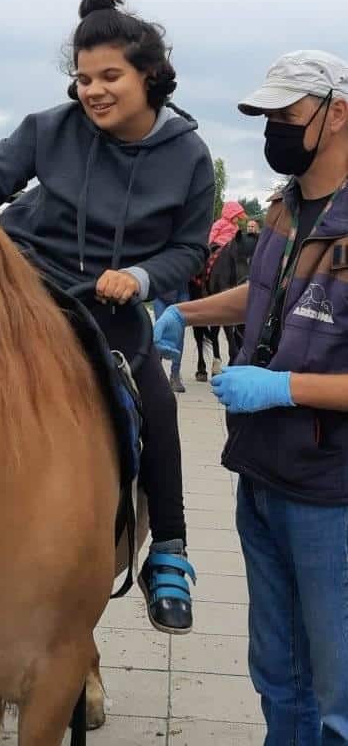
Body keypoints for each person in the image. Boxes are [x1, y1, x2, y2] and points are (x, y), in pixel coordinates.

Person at [0, 0, 214, 634]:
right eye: (83, 79)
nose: (93, 91)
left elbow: (187, 248)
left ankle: (171, 553)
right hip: (19, 283)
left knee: (156, 400)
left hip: (109, 304)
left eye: (110, 76)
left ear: (149, 76)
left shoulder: (189, 157)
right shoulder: (48, 128)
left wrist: (139, 276)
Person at [154, 49, 348, 743]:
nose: (275, 130)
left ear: (338, 113)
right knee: (279, 672)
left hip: (333, 494)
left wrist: (285, 387)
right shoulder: (287, 210)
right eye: (268, 117)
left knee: (340, 691)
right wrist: (183, 311)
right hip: (264, 476)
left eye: (287, 115)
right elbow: (265, 295)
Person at [153, 287, 189, 393]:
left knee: (179, 333)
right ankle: (156, 372)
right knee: (160, 330)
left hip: (182, 292)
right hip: (161, 292)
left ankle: (175, 374)